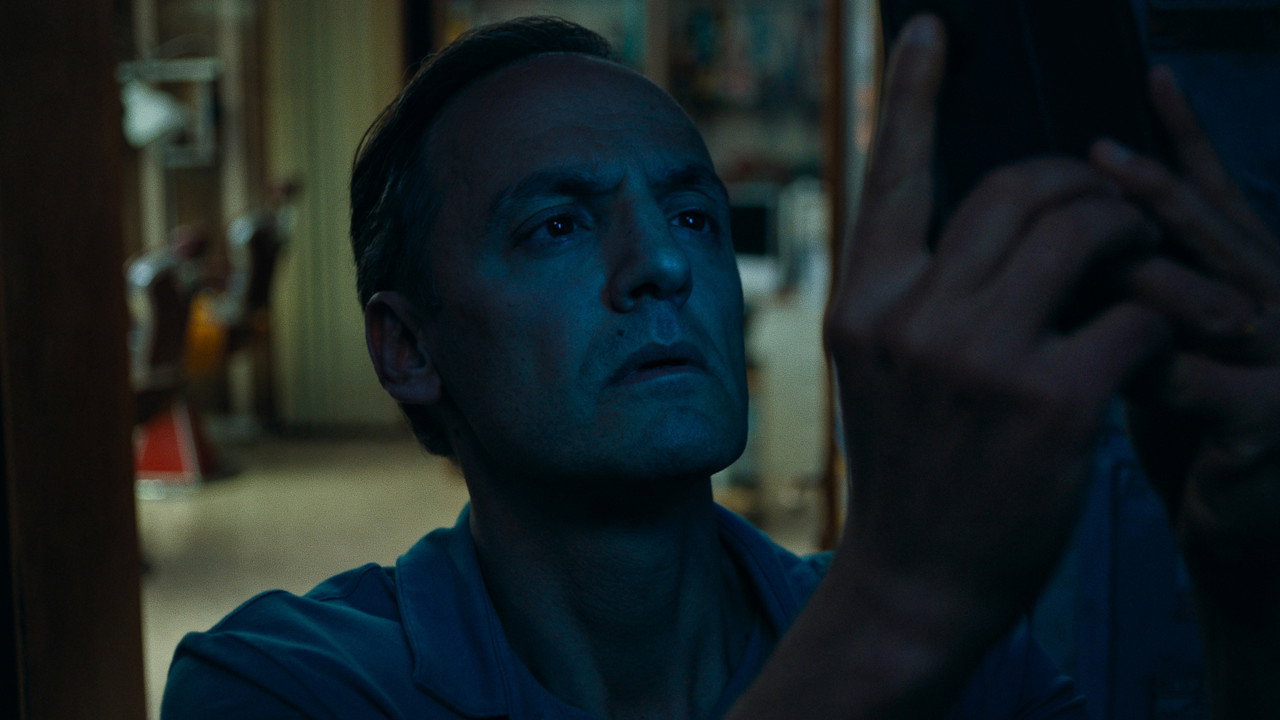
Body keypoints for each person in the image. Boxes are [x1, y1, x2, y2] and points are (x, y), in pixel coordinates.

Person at [162, 14, 1280, 719]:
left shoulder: (969, 662)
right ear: (408, 348)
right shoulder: (285, 684)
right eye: (556, 226)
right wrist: (897, 609)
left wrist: (1245, 592)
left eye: (693, 216)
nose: (661, 264)